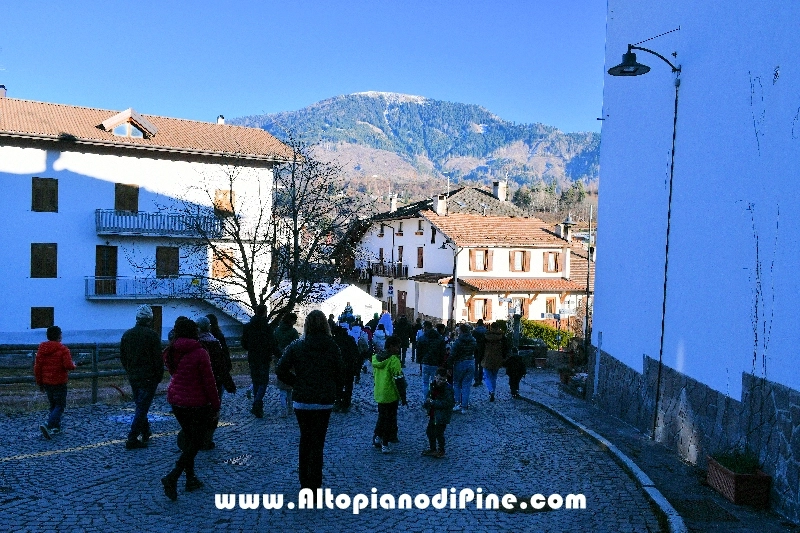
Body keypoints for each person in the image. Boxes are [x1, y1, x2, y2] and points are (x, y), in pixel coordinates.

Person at [276, 310, 346, 490]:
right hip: (324, 400)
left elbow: (280, 369)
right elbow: (341, 373)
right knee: (318, 442)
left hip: (303, 400)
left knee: (305, 440)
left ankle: (304, 483)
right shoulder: (332, 346)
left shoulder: (297, 345)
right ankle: (315, 484)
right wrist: (334, 389)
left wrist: (296, 383)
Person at [161, 318, 220, 501]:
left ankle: (190, 478)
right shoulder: (200, 352)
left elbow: (174, 372)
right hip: (196, 402)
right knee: (196, 441)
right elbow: (209, 381)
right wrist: (216, 405)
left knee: (189, 439)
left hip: (176, 400)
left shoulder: (170, 350)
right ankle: (173, 476)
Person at [120, 305, 164, 449]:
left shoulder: (127, 335)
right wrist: (159, 375)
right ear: (150, 320)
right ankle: (132, 438)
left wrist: (129, 370)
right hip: (149, 376)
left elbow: (123, 357)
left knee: (140, 405)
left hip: (134, 375)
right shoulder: (152, 336)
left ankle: (146, 431)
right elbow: (158, 359)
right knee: (142, 407)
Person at [197, 316, 234, 449]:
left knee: (200, 409)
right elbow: (222, 363)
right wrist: (228, 381)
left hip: (199, 380)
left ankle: (199, 436)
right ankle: (208, 437)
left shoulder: (196, 343)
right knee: (214, 408)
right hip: (215, 379)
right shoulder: (215, 342)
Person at [34, 326, 75, 440]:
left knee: (53, 404)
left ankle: (56, 427)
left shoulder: (42, 349)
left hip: (47, 382)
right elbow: (68, 365)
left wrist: (40, 382)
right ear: (59, 336)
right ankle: (48, 424)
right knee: (60, 405)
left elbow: (37, 368)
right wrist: (73, 366)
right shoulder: (63, 349)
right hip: (59, 381)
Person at [241, 304, 280, 418]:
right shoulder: (267, 327)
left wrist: (251, 348)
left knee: (256, 381)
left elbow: (244, 343)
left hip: (253, 357)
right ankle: (257, 403)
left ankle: (257, 404)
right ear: (265, 312)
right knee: (263, 381)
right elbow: (273, 344)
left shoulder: (248, 326)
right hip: (264, 358)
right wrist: (279, 355)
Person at [371, 336, 407, 453]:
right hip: (390, 394)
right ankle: (385, 443)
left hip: (379, 392)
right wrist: (403, 397)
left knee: (382, 417)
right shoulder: (393, 360)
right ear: (391, 346)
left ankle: (377, 437)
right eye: (397, 347)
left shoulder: (376, 358)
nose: (398, 349)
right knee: (389, 419)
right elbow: (399, 380)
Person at [421, 368, 455, 458]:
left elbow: (448, 403)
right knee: (430, 432)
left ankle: (441, 450)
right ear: (435, 377)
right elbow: (429, 395)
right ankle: (433, 449)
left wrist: (433, 403)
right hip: (434, 414)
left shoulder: (448, 389)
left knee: (439, 433)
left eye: (443, 380)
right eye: (439, 379)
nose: (440, 381)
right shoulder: (432, 385)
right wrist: (427, 403)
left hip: (442, 416)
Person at [273, 313, 300, 417]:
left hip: (279, 360)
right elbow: (297, 345)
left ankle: (283, 408)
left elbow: (274, 345)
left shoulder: (277, 330)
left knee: (282, 387)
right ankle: (290, 408)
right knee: (290, 386)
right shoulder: (293, 332)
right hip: (291, 360)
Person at [447, 323, 477, 413]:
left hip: (460, 363)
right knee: (466, 385)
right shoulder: (473, 340)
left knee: (456, 384)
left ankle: (457, 403)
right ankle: (464, 406)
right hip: (470, 362)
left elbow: (452, 354)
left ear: (461, 331)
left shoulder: (458, 341)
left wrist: (449, 366)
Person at [332, 323, 360, 413]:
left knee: (338, 385)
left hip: (337, 368)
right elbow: (356, 353)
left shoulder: (334, 341)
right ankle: (346, 404)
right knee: (348, 385)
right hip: (349, 367)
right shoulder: (350, 339)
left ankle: (337, 402)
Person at [416, 321, 446, 401]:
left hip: (425, 362)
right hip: (435, 363)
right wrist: (441, 363)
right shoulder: (439, 338)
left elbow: (419, 351)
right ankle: (434, 399)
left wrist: (419, 360)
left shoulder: (422, 338)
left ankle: (425, 400)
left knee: (425, 382)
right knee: (435, 382)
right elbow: (442, 352)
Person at [481, 322, 508, 402]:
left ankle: (491, 391)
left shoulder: (486, 336)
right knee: (494, 377)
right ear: (498, 327)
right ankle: (493, 391)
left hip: (487, 358)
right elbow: (506, 349)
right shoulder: (502, 337)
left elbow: (481, 348)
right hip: (497, 359)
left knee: (487, 376)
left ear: (491, 328)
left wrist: (480, 357)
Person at [472, 319, 487, 387]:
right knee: (481, 365)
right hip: (483, 349)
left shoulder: (474, 331)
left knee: (476, 365)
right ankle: (480, 379)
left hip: (476, 349)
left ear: (477, 324)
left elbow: (472, 341)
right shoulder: (486, 331)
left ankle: (476, 379)